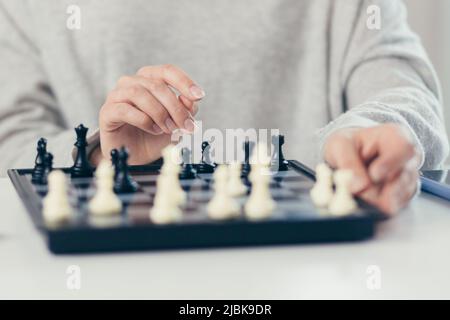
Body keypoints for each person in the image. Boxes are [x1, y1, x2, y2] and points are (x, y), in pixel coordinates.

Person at [0, 0, 448, 214]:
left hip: (325, 272)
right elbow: (12, 138)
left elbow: (406, 91)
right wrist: (102, 158)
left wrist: (372, 133)